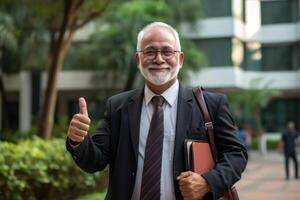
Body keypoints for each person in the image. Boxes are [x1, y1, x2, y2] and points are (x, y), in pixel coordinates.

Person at [66, 22, 248, 200]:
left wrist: (207, 182)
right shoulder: (118, 106)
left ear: (180, 59)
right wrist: (78, 140)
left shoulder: (211, 104)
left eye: (167, 51)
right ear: (138, 59)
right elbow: (95, 161)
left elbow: (236, 154)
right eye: (150, 51)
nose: (159, 59)